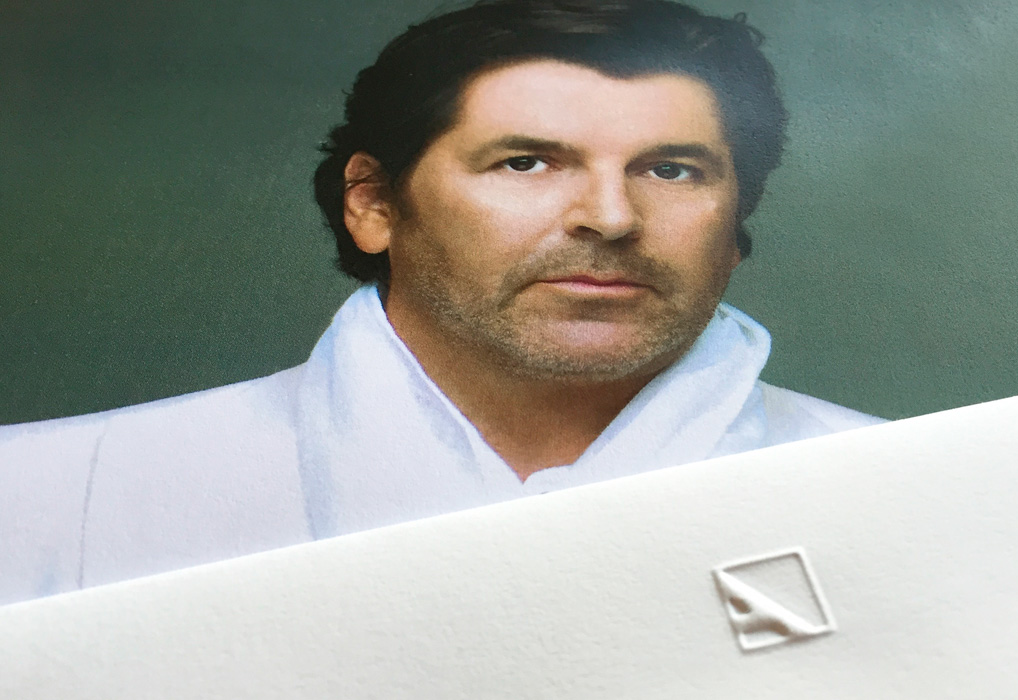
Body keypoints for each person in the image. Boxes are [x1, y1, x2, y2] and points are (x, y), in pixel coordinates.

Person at [0, 0, 884, 606]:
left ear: (733, 226)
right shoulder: (46, 497)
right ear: (374, 204)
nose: (611, 217)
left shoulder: (909, 490)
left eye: (672, 170)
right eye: (526, 162)